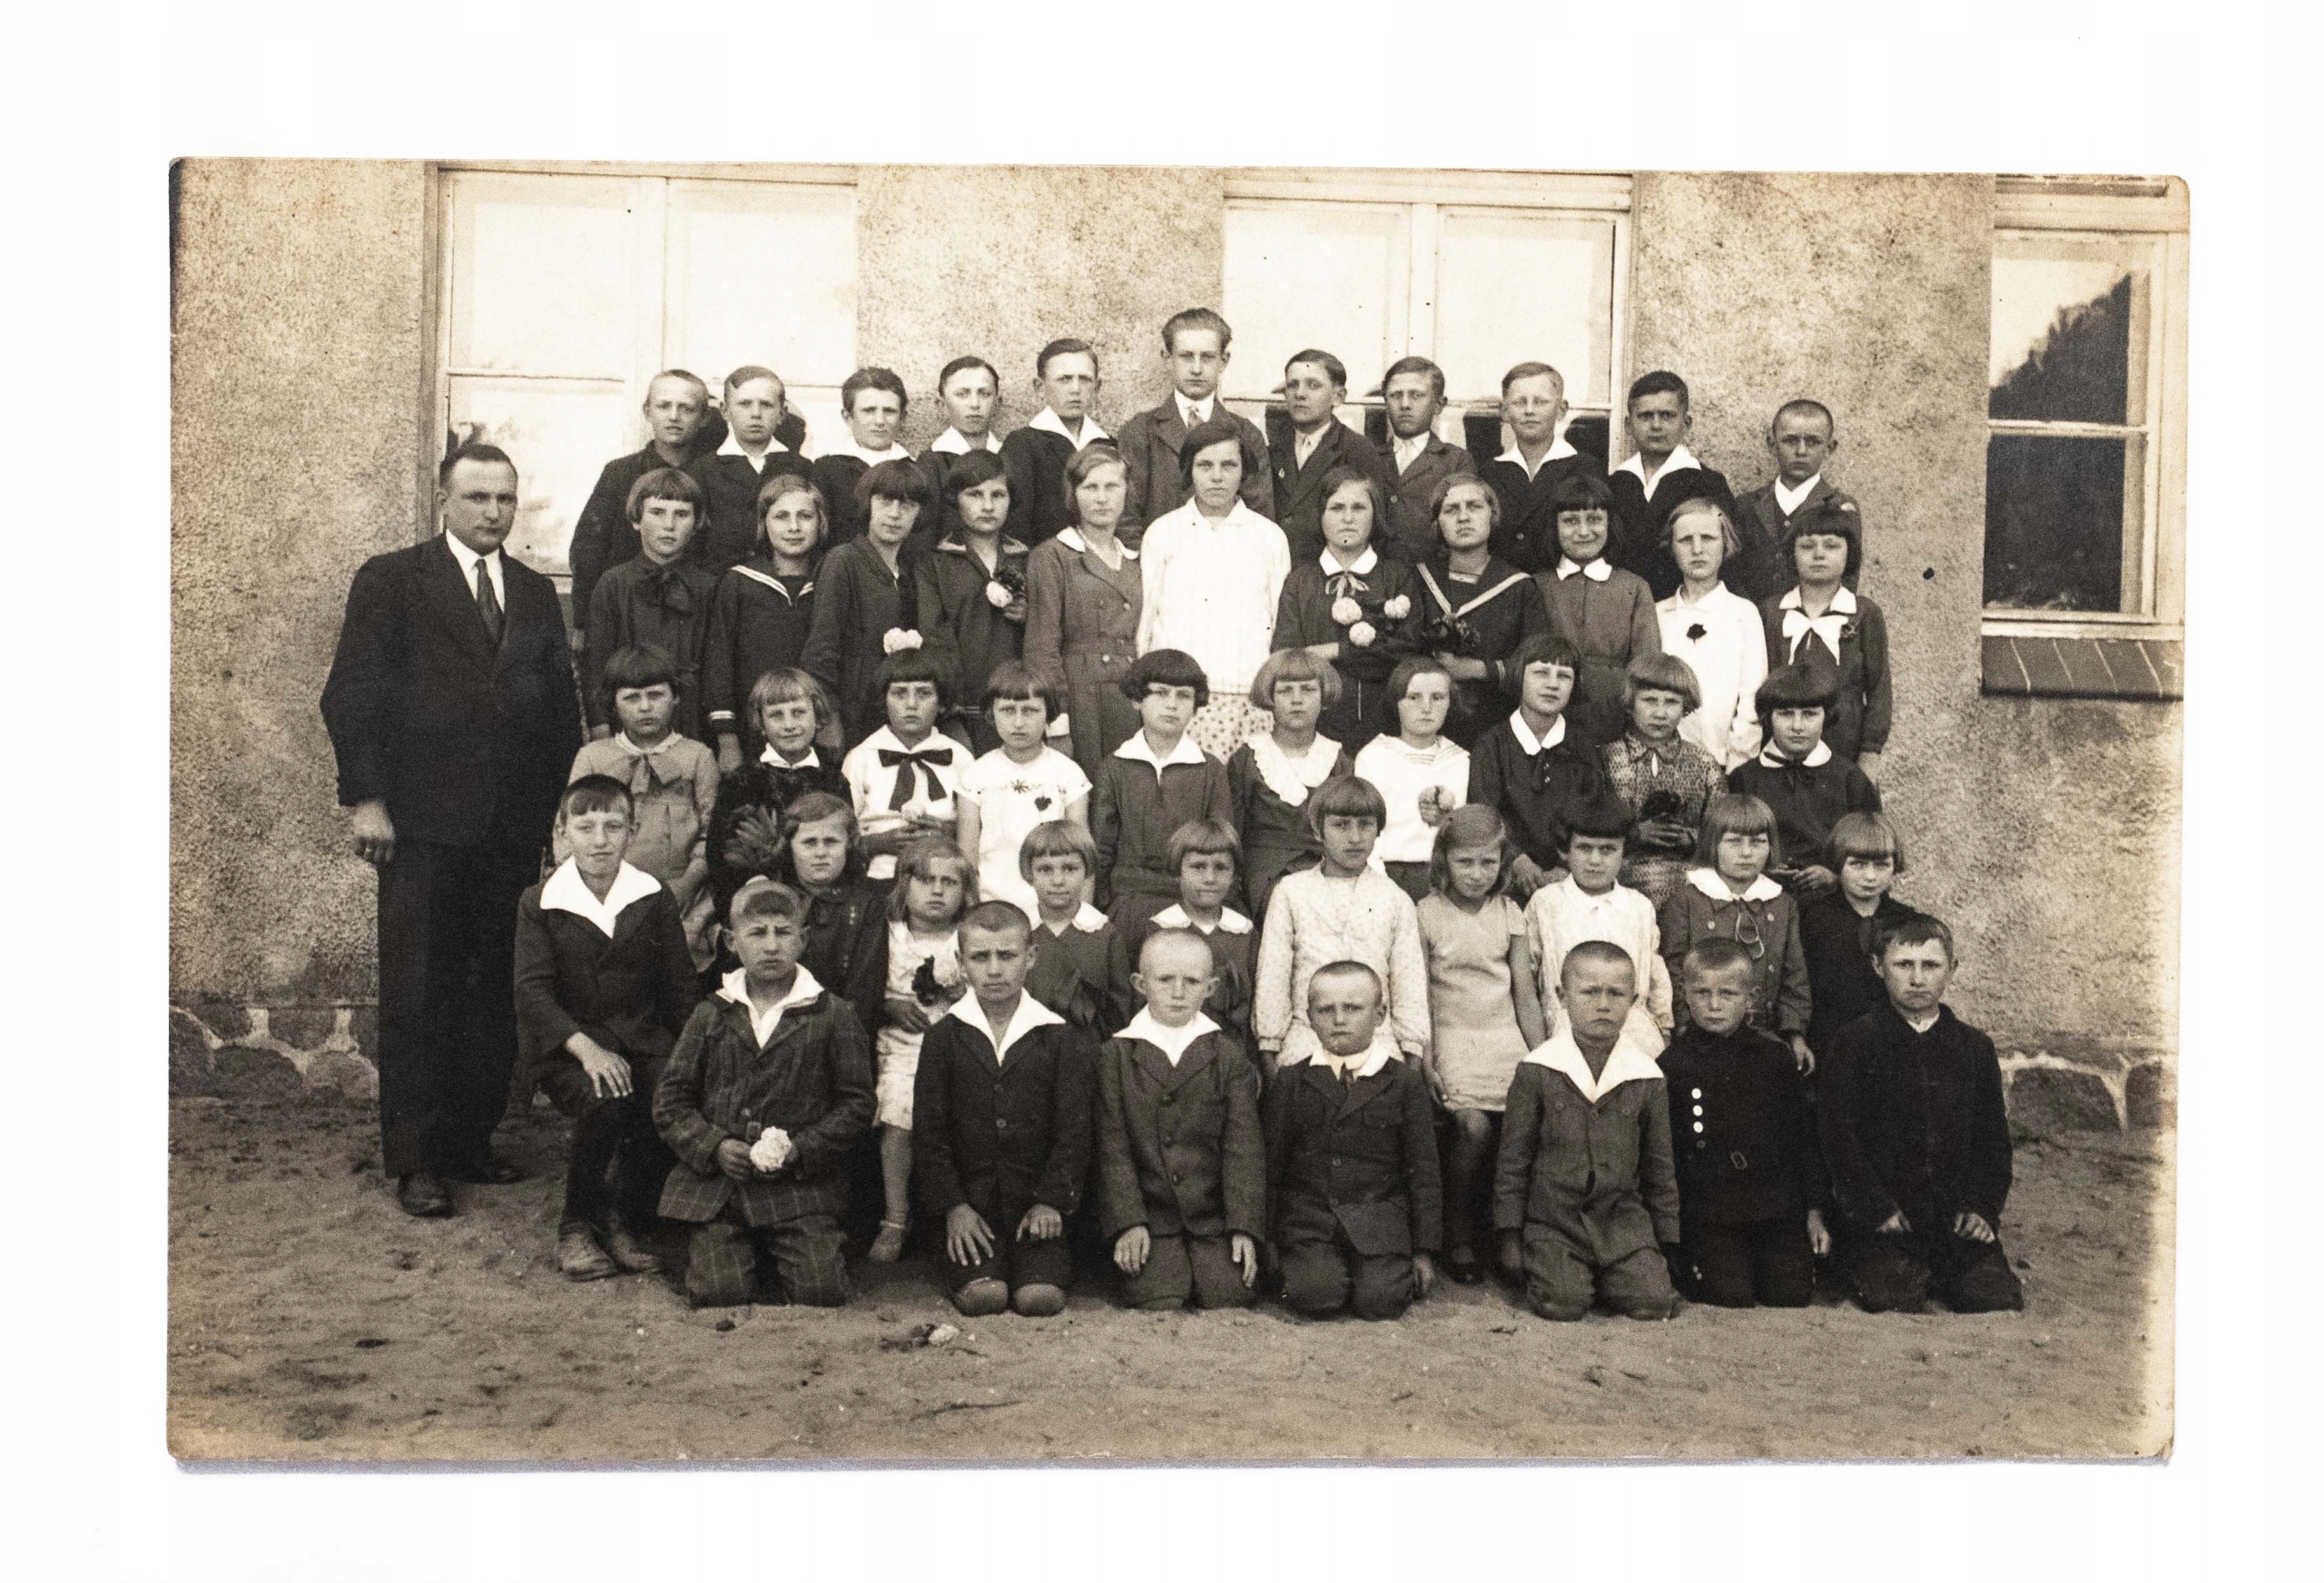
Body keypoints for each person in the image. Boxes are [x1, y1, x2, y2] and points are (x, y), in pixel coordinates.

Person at [321, 443, 583, 1218]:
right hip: (421, 826)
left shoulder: (533, 592)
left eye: (505, 499)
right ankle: (418, 1159)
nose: (493, 512)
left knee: (491, 990)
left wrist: (555, 819)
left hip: (510, 829)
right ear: (443, 500)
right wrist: (368, 800)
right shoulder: (393, 579)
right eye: (477, 498)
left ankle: (470, 1140)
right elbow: (352, 695)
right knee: (421, 989)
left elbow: (558, 714)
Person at [652, 878, 876, 1308]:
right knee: (719, 1292)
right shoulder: (711, 1013)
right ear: (731, 942)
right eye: (757, 933)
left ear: (803, 940)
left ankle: (783, 1257)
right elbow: (670, 1100)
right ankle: (722, 1251)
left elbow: (857, 1103)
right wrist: (715, 1146)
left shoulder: (833, 1014)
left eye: (783, 932)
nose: (771, 946)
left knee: (821, 1290)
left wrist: (801, 1149)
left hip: (797, 1190)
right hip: (720, 1188)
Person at [515, 775, 702, 1279]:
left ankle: (624, 1219)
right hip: (571, 1047)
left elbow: (680, 984)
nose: (599, 840)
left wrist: (690, 1055)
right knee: (607, 1097)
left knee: (667, 1095)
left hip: (643, 1038)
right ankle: (577, 1225)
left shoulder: (652, 895)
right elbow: (532, 991)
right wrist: (587, 1050)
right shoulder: (541, 901)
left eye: (613, 827)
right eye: (585, 827)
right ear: (563, 832)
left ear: (632, 831)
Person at [1817, 915, 2024, 1314]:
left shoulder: (1974, 1047)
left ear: (1952, 968)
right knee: (1894, 1296)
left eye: (1930, 966)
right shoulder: (1855, 1042)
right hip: (1884, 1219)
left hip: (1952, 1216)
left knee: (1991, 1295)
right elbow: (1837, 1138)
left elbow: (1992, 1141)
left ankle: (1947, 1266)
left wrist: (1981, 1208)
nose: (1917, 979)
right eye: (1903, 965)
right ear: (1879, 966)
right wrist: (1875, 1208)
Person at [914, 900, 1096, 1317]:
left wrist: (1052, 1201)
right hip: (970, 1208)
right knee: (986, 1297)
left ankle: (1035, 1261)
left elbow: (1074, 1130)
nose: (994, 969)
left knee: (1039, 1299)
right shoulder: (943, 1038)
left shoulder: (1058, 1036)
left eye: (1007, 956)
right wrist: (954, 1208)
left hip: (1036, 1206)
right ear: (961, 962)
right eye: (980, 957)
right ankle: (972, 1260)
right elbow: (929, 1132)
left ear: (1030, 957)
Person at [1493, 940, 1681, 1322]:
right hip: (1554, 1222)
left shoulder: (1647, 1076)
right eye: (1590, 992)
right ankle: (1568, 1273)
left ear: (1633, 1001)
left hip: (1622, 1223)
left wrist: (1666, 1240)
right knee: (1562, 1303)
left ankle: (1617, 1274)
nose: (1603, 1004)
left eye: (1616, 994)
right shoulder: (1538, 1070)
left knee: (1653, 1303)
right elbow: (1513, 1162)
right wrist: (1509, 1235)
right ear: (1563, 996)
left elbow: (1659, 1168)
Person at [1095, 929, 1265, 1311]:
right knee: (1159, 1296)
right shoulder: (1115, 1055)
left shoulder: (1228, 1055)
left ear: (1211, 988)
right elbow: (1113, 1148)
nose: (1178, 992)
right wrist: (1128, 1222)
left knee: (1230, 1293)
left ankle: (1211, 1252)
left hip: (1210, 1218)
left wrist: (1243, 1227)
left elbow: (1243, 1149)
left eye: (1191, 982)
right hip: (1150, 1216)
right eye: (1164, 980)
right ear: (1140, 984)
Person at [1264, 962, 1442, 1321]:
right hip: (1310, 1224)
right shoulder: (1291, 1080)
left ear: (1380, 1015)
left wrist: (1424, 1251)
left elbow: (1423, 1172)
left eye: (1353, 1008)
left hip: (1380, 1224)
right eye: (1325, 1010)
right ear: (1309, 1017)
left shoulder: (1404, 1083)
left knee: (1380, 1301)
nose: (1339, 1020)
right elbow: (1271, 1166)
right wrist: (1268, 1239)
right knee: (1316, 1294)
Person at [1416, 805, 1549, 1284]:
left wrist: (1542, 1057)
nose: (1477, 874)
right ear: (1445, 861)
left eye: (1488, 863)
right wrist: (1426, 1059)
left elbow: (1524, 995)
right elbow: (1420, 994)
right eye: (1465, 862)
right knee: (1472, 1128)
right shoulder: (1426, 914)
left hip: (1503, 1037)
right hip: (1453, 1037)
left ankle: (1507, 1231)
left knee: (1519, 1127)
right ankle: (1458, 1229)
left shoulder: (1509, 913)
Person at [1659, 939, 1830, 1307]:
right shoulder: (1673, 1064)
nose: (1714, 1005)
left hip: (1772, 1202)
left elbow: (1802, 1139)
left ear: (1751, 997)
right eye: (1702, 993)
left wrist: (1813, 1211)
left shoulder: (1774, 1057)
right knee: (1730, 1294)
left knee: (1791, 1293)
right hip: (1710, 1206)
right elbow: (1667, 1157)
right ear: (1685, 994)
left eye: (1728, 993)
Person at [1253, 776, 1430, 1077]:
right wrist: (1270, 1048)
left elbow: (1408, 982)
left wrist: (1411, 1054)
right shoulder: (1290, 892)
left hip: (1378, 1044)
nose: (1355, 837)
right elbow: (1274, 973)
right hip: (1306, 1041)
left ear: (1378, 829)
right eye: (1341, 825)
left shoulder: (1395, 898)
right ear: (1318, 830)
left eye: (1365, 825)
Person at [1136, 418, 1292, 758]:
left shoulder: (1268, 537)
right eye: (1205, 465)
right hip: (1179, 696)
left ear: (1244, 471)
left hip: (1249, 694)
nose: (1217, 476)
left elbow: (1279, 621)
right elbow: (1146, 620)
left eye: (1228, 465)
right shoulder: (1164, 533)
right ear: (1189, 470)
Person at [566, 644, 720, 969]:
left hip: (682, 898)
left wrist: (687, 884)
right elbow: (569, 832)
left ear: (675, 697)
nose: (645, 707)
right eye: (632, 698)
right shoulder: (593, 758)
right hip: (606, 896)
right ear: (614, 703)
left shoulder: (698, 757)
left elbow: (712, 834)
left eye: (656, 695)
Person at [867, 838, 974, 1262]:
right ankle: (896, 1216)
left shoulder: (966, 937)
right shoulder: (888, 934)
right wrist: (888, 1006)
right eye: (926, 880)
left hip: (958, 1044)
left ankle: (956, 1212)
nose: (937, 891)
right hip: (901, 1044)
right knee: (899, 1113)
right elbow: (865, 984)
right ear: (903, 885)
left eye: (950, 882)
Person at [1656, 792, 1812, 1069]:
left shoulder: (1782, 904)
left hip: (1764, 1036)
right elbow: (1674, 970)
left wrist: (1795, 1034)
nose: (1747, 852)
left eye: (1758, 842)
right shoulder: (1686, 901)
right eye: (1734, 841)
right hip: (1700, 1035)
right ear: (1713, 844)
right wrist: (1684, 1026)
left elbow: (1794, 976)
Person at [570, 369, 724, 650]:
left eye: (686, 408)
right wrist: (582, 622)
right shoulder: (620, 473)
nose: (674, 416)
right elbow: (589, 548)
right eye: (664, 406)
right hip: (627, 611)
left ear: (704, 418)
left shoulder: (716, 474)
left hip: (694, 614)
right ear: (647, 411)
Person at [1271, 467, 1422, 752]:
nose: (1348, 518)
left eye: (1359, 508)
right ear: (1321, 515)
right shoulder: (1301, 581)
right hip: (1316, 729)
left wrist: (1335, 651)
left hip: (1384, 727)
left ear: (1375, 515)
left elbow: (1405, 651)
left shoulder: (1395, 577)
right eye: (1337, 508)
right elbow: (1287, 658)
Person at [1090, 648, 1234, 935]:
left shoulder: (1210, 769)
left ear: (1195, 706)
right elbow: (1102, 848)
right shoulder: (1115, 766)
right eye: (1160, 693)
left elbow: (1222, 844)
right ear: (1137, 700)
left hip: (1192, 900)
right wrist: (1104, 906)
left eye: (1183, 696)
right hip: (1129, 899)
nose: (1172, 704)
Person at [1023, 445, 1144, 781]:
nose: (1101, 498)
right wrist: (1057, 720)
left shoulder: (1136, 558)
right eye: (1090, 487)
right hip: (1081, 699)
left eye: (1111, 486)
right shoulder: (1053, 556)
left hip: (1130, 698)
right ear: (1073, 494)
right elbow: (1042, 645)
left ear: (1127, 491)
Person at [1462, 632, 1612, 897]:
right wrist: (1518, 862)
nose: (1552, 684)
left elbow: (1594, 813)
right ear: (1520, 677)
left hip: (1570, 878)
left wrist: (1566, 865)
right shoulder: (1492, 744)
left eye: (1563, 676)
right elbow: (1484, 814)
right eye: (1541, 673)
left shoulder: (1583, 746)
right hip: (1503, 876)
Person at [799, 458, 935, 744]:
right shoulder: (844, 560)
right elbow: (821, 648)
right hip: (849, 714)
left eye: (907, 505)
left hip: (892, 716)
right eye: (885, 501)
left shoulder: (909, 571)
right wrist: (828, 718)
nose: (895, 514)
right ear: (868, 504)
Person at [1524, 792, 1675, 1048]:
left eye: (1608, 850)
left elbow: (1655, 973)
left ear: (1624, 854)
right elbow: (1527, 975)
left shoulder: (1639, 906)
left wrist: (1664, 1027)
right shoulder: (1546, 903)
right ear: (1565, 851)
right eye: (1584, 848)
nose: (1595, 861)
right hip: (1567, 1033)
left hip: (1633, 1032)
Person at [1411, 474, 1551, 746]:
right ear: (1438, 523)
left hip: (1494, 724)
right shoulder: (1419, 580)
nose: (1463, 517)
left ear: (1492, 515)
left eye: (1474, 506)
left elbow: (1538, 662)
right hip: (1424, 722)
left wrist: (1478, 669)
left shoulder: (1519, 587)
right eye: (1451, 510)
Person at [1758, 494, 1892, 774]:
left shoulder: (1864, 613)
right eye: (1807, 546)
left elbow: (1879, 691)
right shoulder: (1772, 612)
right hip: (1780, 744)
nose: (1818, 554)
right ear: (1792, 554)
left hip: (1845, 745)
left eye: (1831, 546)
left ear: (1849, 554)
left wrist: (1870, 755)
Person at [584, 468, 720, 742]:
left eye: (681, 514)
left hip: (693, 720)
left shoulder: (710, 588)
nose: (669, 525)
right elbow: (596, 663)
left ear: (696, 523)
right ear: (637, 519)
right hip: (628, 721)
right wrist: (600, 725)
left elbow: (718, 665)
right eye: (657, 512)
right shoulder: (613, 584)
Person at [1726, 662, 1883, 897]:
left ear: (1826, 716)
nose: (1797, 726)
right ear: (1768, 717)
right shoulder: (1744, 779)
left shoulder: (1850, 779)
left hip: (1832, 900)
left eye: (1809, 714)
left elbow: (1876, 853)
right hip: (1760, 898)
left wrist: (1836, 877)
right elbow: (1726, 847)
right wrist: (1760, 869)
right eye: (1785, 714)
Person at [704, 474, 826, 771]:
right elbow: (719, 662)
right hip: (752, 732)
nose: (794, 527)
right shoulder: (739, 582)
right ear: (763, 523)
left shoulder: (829, 580)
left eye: (805, 516)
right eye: (781, 517)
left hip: (817, 730)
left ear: (820, 522)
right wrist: (727, 739)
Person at [705, 668, 846, 924]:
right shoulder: (742, 781)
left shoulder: (833, 779)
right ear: (761, 723)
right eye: (776, 715)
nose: (789, 725)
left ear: (817, 715)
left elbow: (848, 842)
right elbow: (721, 854)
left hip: (825, 902)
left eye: (799, 713)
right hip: (762, 903)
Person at [1114, 307, 1271, 536]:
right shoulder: (1141, 432)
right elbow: (1125, 520)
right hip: (1160, 554)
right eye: (1186, 357)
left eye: (1207, 357)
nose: (1196, 369)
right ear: (1168, 359)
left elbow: (1260, 520)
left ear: (1223, 361)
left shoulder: (1246, 434)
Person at [914, 450, 1030, 752]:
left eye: (998, 495)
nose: (988, 506)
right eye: (975, 494)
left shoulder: (1027, 558)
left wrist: (1029, 617)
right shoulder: (935, 563)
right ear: (955, 498)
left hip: (1020, 707)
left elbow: (1050, 634)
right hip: (963, 711)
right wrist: (952, 712)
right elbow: (935, 639)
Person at [954, 661, 1092, 916]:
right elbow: (967, 859)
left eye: (1030, 710)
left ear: (1048, 714)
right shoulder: (976, 775)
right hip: (992, 907)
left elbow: (1082, 855)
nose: (1018, 722)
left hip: (1053, 909)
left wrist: (1083, 917)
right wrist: (973, 915)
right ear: (992, 713)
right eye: (1007, 710)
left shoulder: (1068, 774)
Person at [1537, 469, 1662, 748]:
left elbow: (1647, 666)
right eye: (1570, 521)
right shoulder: (1537, 585)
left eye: (1594, 519)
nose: (1583, 531)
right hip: (1547, 716)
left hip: (1614, 721)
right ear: (1554, 527)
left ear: (1610, 524)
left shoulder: (1634, 587)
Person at [1226, 648, 1351, 923]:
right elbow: (1231, 830)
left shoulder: (1338, 760)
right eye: (1285, 691)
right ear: (1270, 697)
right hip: (1263, 872)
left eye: (1308, 690)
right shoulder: (1247, 758)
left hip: (1324, 868)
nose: (1297, 700)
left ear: (1323, 696)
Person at [1603, 653, 1728, 908]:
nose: (1660, 713)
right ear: (1631, 702)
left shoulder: (1704, 763)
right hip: (1616, 880)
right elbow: (1589, 824)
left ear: (1685, 706)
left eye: (1671, 702)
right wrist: (1635, 834)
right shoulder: (1607, 758)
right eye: (1649, 700)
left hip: (1691, 885)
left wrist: (1690, 838)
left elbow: (1724, 830)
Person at [1798, 811, 1921, 1060]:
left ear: (1894, 866)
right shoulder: (1814, 918)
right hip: (1829, 1043)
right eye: (1858, 864)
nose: (1870, 876)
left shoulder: (1905, 920)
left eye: (1882, 865)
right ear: (1838, 865)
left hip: (1891, 1045)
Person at [1655, 497, 1767, 769]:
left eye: (1708, 538)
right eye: (1685, 540)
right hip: (1661, 762)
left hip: (1724, 763)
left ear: (1725, 543)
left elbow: (1752, 698)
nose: (1697, 549)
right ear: (1672, 547)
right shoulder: (1657, 614)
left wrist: (1737, 765)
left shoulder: (1743, 613)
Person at [839, 651, 966, 885]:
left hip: (942, 877)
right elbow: (840, 831)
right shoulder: (860, 758)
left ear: (941, 703)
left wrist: (951, 832)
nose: (911, 704)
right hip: (877, 877)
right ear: (883, 701)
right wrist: (878, 842)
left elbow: (979, 827)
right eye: (899, 693)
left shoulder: (960, 757)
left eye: (924, 693)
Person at [1608, 369, 1736, 599]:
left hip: (1685, 605)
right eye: (1646, 416)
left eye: (1666, 416)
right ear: (1628, 425)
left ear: (1686, 423)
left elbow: (1728, 559)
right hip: (1621, 604)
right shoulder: (1616, 483)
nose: (1656, 425)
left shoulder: (1707, 484)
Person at [772, 792, 891, 1036]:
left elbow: (864, 990)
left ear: (849, 845)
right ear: (789, 847)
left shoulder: (867, 904)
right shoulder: (775, 899)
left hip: (845, 1031)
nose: (820, 852)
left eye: (831, 841)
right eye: (809, 842)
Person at [1131, 819, 1256, 1048]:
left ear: (1234, 875)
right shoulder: (1159, 928)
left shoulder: (1244, 932)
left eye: (1221, 868)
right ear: (1177, 872)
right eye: (1198, 867)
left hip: (1233, 1047)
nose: (1210, 878)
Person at [1353, 656, 1468, 900]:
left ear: (1450, 702)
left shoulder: (1461, 760)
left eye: (1437, 697)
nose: (1426, 707)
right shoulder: (1374, 757)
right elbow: (1367, 828)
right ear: (1396, 703)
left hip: (1448, 878)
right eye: (1414, 697)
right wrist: (1382, 887)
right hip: (1388, 875)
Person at [1267, 348, 1393, 565]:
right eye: (1293, 385)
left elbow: (1376, 526)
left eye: (1313, 385)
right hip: (1275, 567)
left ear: (1338, 397)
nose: (1300, 394)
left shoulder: (1357, 449)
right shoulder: (1273, 450)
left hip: (1329, 574)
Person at [684, 366, 813, 575]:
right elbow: (691, 542)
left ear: (782, 413)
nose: (756, 414)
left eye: (766, 405)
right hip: (719, 584)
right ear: (725, 410)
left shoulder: (802, 468)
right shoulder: (702, 471)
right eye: (744, 404)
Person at [1476, 361, 1600, 574]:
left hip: (1563, 585)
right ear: (1504, 411)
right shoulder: (1490, 472)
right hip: (1504, 585)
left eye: (1540, 402)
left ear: (1561, 410)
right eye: (1519, 402)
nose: (1529, 411)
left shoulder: (1586, 468)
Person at [1730, 398, 1857, 603]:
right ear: (1772, 444)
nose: (1801, 451)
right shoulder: (1747, 505)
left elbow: (1847, 579)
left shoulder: (1839, 506)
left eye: (1813, 442)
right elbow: (1732, 572)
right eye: (1790, 441)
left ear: (1830, 447)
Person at [1017, 819, 1134, 1037]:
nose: (1058, 880)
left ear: (1087, 871)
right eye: (1045, 869)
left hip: (1090, 1046)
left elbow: (1120, 1007)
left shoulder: (1104, 934)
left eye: (1070, 868)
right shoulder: (1018, 931)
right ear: (1029, 873)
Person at [1001, 339, 1109, 546]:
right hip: (1045, 560)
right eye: (1064, 379)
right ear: (1039, 387)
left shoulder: (1107, 445)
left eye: (1085, 379)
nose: (1075, 389)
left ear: (1097, 387)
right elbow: (1016, 526)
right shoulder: (1023, 445)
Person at [1376, 356, 1477, 562]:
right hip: (1376, 574)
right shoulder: (1369, 456)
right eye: (1396, 395)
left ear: (1438, 405)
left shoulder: (1455, 461)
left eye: (1416, 395)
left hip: (1429, 573)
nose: (1405, 404)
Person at [812, 367, 917, 547]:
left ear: (903, 417)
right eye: (869, 411)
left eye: (889, 411)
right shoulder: (826, 470)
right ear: (848, 417)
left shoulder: (916, 469)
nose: (879, 421)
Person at [917, 355, 1006, 543]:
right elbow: (926, 534)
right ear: (941, 405)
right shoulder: (933, 463)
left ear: (997, 404)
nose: (974, 404)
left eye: (984, 393)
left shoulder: (1008, 456)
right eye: (962, 394)